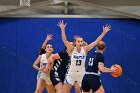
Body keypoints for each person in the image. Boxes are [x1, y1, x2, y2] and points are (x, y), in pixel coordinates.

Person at [57, 20, 111, 93]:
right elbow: (64, 39)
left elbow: (96, 42)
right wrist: (62, 29)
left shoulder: (85, 49)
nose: (80, 42)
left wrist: (104, 32)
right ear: (75, 43)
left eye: (81, 41)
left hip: (82, 73)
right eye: (78, 41)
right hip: (71, 73)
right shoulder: (71, 49)